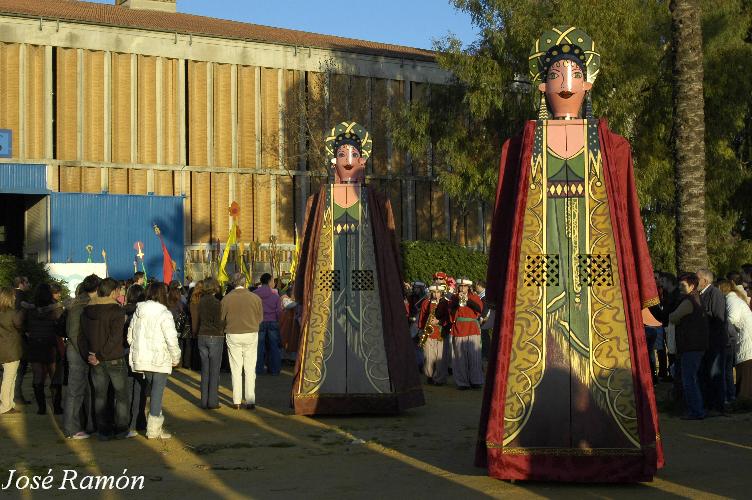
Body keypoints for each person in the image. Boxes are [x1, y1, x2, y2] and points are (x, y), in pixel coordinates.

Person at [476, 27, 663, 482]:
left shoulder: (614, 148)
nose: (565, 81)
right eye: (556, 72)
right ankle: (526, 450)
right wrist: (499, 291)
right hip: (538, 276)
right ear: (541, 85)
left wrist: (640, 294)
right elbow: (505, 224)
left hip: (597, 278)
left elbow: (630, 218)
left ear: (589, 82)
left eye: (575, 72)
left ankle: (608, 449)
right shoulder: (518, 147)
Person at [291, 121, 424, 415]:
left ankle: (375, 389)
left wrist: (395, 285)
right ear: (333, 160)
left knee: (370, 337)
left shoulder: (376, 200)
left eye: (353, 153)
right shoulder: (318, 200)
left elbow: (389, 247)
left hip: (367, 284)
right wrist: (301, 292)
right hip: (329, 282)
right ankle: (319, 392)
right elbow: (307, 252)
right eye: (341, 154)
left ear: (363, 159)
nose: (348, 159)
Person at [127, 282, 181, 439]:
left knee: (151, 392)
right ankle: (153, 429)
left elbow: (130, 337)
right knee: (157, 393)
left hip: (143, 359)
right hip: (160, 359)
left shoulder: (138, 312)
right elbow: (171, 338)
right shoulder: (165, 314)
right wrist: (175, 356)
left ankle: (151, 426)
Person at [81, 278, 129, 440]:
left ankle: (103, 431)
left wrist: (90, 355)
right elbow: (115, 338)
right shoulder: (117, 311)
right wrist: (99, 356)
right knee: (121, 395)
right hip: (113, 358)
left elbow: (82, 337)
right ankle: (121, 429)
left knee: (100, 396)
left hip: (94, 358)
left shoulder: (87, 310)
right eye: (119, 290)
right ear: (113, 291)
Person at [63, 274, 101, 439]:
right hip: (78, 352)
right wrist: (86, 354)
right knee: (75, 391)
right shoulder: (80, 305)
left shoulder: (84, 303)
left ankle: (87, 424)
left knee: (87, 391)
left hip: (83, 351)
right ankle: (71, 428)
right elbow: (73, 333)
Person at [670, 273, 710, 419]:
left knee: (689, 380)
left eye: (683, 285)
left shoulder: (689, 301)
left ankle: (696, 411)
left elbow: (673, 317)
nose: (680, 288)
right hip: (695, 345)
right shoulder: (696, 298)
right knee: (691, 378)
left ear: (692, 286)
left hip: (691, 346)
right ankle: (696, 409)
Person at [221, 273, 263, 410]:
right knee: (250, 368)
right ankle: (250, 400)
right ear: (245, 283)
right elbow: (260, 318)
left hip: (233, 333)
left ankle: (236, 401)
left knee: (236, 368)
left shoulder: (226, 299)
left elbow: (222, 318)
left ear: (233, 283)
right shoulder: (255, 298)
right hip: (251, 333)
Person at [25, 283, 65, 415]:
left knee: (38, 376)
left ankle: (41, 408)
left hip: (35, 343)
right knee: (55, 377)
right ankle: (57, 407)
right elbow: (61, 325)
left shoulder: (29, 309)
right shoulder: (55, 309)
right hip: (50, 344)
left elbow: (24, 325)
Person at [697, 269, 728, 415]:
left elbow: (718, 318)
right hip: (707, 342)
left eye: (696, 278)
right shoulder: (702, 294)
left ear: (705, 280)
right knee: (706, 375)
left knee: (715, 374)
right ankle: (709, 405)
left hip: (715, 342)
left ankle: (718, 406)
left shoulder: (715, 294)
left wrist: (700, 315)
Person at [719, 280, 752, 400]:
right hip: (745, 339)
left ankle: (744, 399)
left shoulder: (731, 300)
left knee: (745, 370)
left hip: (746, 340)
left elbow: (732, 318)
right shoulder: (735, 299)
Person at [448, 278, 483, 390]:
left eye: (464, 286)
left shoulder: (474, 297)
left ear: (468, 287)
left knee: (474, 356)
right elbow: (451, 312)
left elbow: (479, 309)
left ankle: (476, 381)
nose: (462, 288)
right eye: (460, 286)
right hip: (459, 328)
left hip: (472, 328)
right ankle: (462, 382)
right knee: (459, 357)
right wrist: (457, 303)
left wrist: (468, 301)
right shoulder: (454, 298)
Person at [196, 278, 224, 409]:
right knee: (214, 371)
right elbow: (218, 322)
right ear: (214, 287)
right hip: (215, 336)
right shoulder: (216, 303)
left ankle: (203, 401)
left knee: (205, 370)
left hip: (202, 335)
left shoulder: (200, 302)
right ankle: (213, 402)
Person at [124, 284, 147, 437]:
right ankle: (139, 421)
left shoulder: (122, 311)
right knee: (140, 389)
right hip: (140, 354)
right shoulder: (143, 313)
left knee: (127, 390)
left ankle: (127, 422)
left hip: (124, 353)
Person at [417, 283, 449, 385]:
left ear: (442, 293)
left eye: (438, 292)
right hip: (428, 333)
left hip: (441, 333)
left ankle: (440, 379)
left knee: (440, 358)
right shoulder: (426, 302)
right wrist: (421, 330)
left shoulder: (446, 303)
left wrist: (439, 322)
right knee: (429, 357)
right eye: (434, 292)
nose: (436, 295)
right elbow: (422, 317)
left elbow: (449, 319)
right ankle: (429, 376)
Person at [0, 287, 24, 415]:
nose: (15, 298)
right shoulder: (13, 313)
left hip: (2, 349)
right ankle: (5, 405)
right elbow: (20, 326)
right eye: (13, 296)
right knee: (9, 378)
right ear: (9, 297)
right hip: (11, 349)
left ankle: (9, 404)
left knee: (9, 378)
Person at [253, 273, 283, 376]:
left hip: (259, 322)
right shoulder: (275, 295)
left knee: (259, 347)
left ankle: (258, 369)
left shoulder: (255, 294)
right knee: (274, 347)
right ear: (270, 281)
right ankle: (274, 369)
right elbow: (279, 311)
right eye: (273, 281)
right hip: (273, 322)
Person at [12, 276, 31, 405]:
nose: (29, 284)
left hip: (7, 336)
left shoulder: (9, 296)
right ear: (22, 284)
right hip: (19, 337)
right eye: (27, 282)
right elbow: (22, 319)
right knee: (20, 368)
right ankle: (17, 396)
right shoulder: (22, 298)